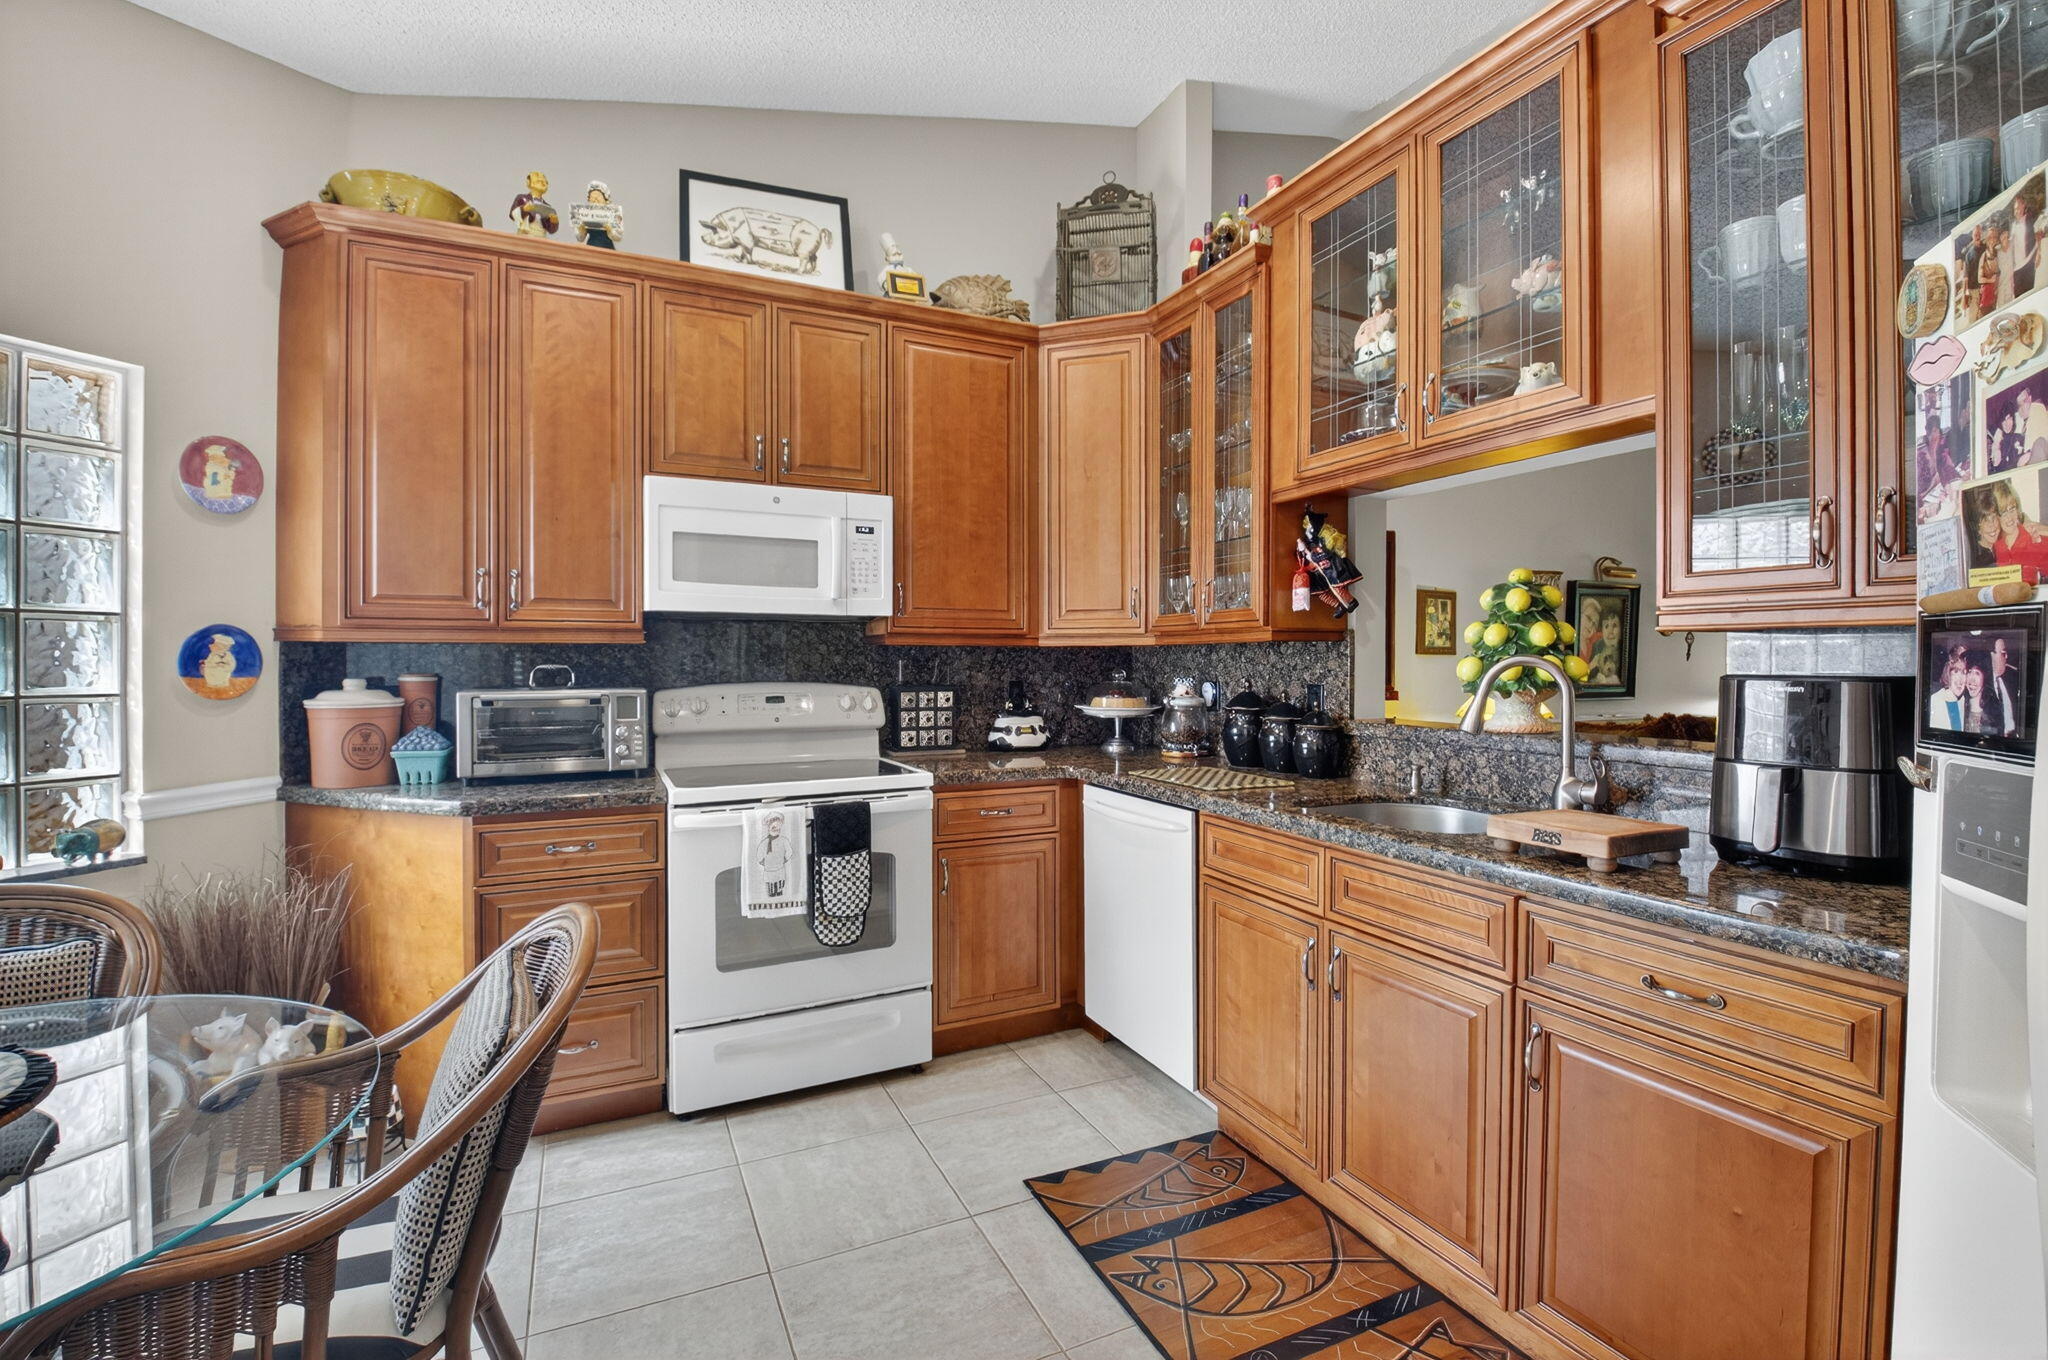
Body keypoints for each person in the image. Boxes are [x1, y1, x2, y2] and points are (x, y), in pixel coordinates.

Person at [1990, 477, 2048, 582]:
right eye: (2003, 513)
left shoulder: (2033, 535)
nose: (2009, 518)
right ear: (1996, 517)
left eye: (2012, 509)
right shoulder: (1997, 545)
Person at [1985, 635, 2023, 737]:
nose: (2006, 656)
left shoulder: (2011, 678)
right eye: (2003, 653)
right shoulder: (1983, 685)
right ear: (1992, 655)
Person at [1928, 649, 1968, 730]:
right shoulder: (1935, 700)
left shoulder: (1963, 700)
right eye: (1956, 672)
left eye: (1964, 673)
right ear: (1948, 673)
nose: (1960, 680)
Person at [2014, 191, 2041, 299]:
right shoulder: (2015, 226)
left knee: (2029, 295)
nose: (2016, 211)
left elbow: (2039, 234)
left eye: (2018, 208)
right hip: (2017, 269)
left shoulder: (2031, 220)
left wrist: (2038, 253)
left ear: (2024, 206)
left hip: (2028, 264)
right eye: (2014, 209)